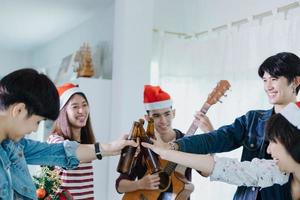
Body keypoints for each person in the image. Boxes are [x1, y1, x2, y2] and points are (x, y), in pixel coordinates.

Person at [160, 52, 300, 200]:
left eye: (274, 79)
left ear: (296, 81)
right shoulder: (252, 119)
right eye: (265, 80)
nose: (268, 86)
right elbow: (218, 138)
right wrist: (175, 146)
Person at [0, 68, 137, 200]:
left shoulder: (15, 145)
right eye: (38, 122)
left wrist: (111, 148)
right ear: (19, 110)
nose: (35, 130)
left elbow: (61, 152)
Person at [142, 102, 300, 199]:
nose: (269, 149)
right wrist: (166, 150)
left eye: (273, 142)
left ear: (292, 142)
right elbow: (221, 167)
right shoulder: (276, 171)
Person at [115, 85, 214, 199]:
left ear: (174, 113)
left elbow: (206, 172)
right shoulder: (141, 144)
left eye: (167, 114)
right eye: (156, 116)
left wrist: (211, 133)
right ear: (147, 118)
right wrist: (140, 184)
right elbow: (120, 185)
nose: (163, 121)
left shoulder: (188, 142)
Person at [47, 83, 97, 199]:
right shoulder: (55, 140)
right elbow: (68, 150)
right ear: (63, 111)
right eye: (75, 106)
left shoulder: (85, 143)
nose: (82, 111)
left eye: (84, 105)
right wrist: (113, 147)